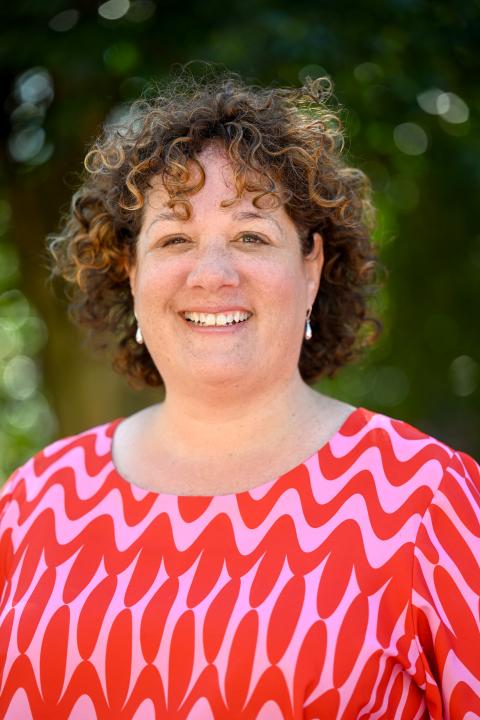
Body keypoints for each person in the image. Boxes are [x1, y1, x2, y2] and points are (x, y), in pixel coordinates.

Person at [0, 70, 479, 720]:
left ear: (311, 267)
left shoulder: (431, 501)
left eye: (252, 237)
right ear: (132, 273)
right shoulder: (31, 506)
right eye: (174, 239)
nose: (212, 275)